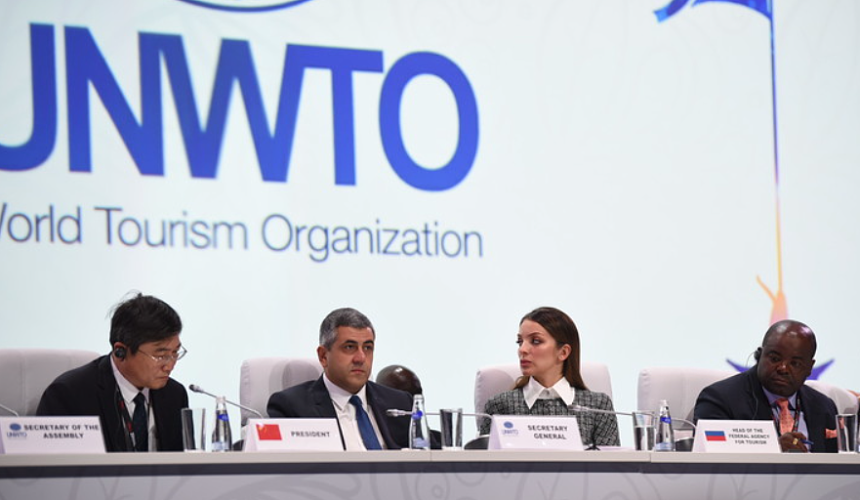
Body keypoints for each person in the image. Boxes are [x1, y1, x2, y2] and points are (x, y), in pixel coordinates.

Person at [37, 293, 189, 452]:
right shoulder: (69, 395)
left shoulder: (174, 395)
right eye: (160, 356)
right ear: (120, 351)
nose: (169, 366)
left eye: (175, 353)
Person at [267, 307, 413, 450]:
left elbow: (423, 454)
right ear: (323, 356)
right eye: (349, 347)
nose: (361, 358)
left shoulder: (400, 403)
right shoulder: (293, 408)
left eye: (367, 348)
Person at [479, 307, 620, 447]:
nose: (522, 349)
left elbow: (612, 461)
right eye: (520, 342)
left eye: (535, 341)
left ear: (563, 352)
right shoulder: (500, 406)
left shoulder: (597, 407)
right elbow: (483, 461)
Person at [693, 319, 838, 452]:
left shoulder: (824, 407)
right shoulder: (720, 399)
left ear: (809, 367)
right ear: (760, 355)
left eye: (795, 363)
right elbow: (713, 457)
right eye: (774, 358)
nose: (783, 368)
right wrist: (773, 449)